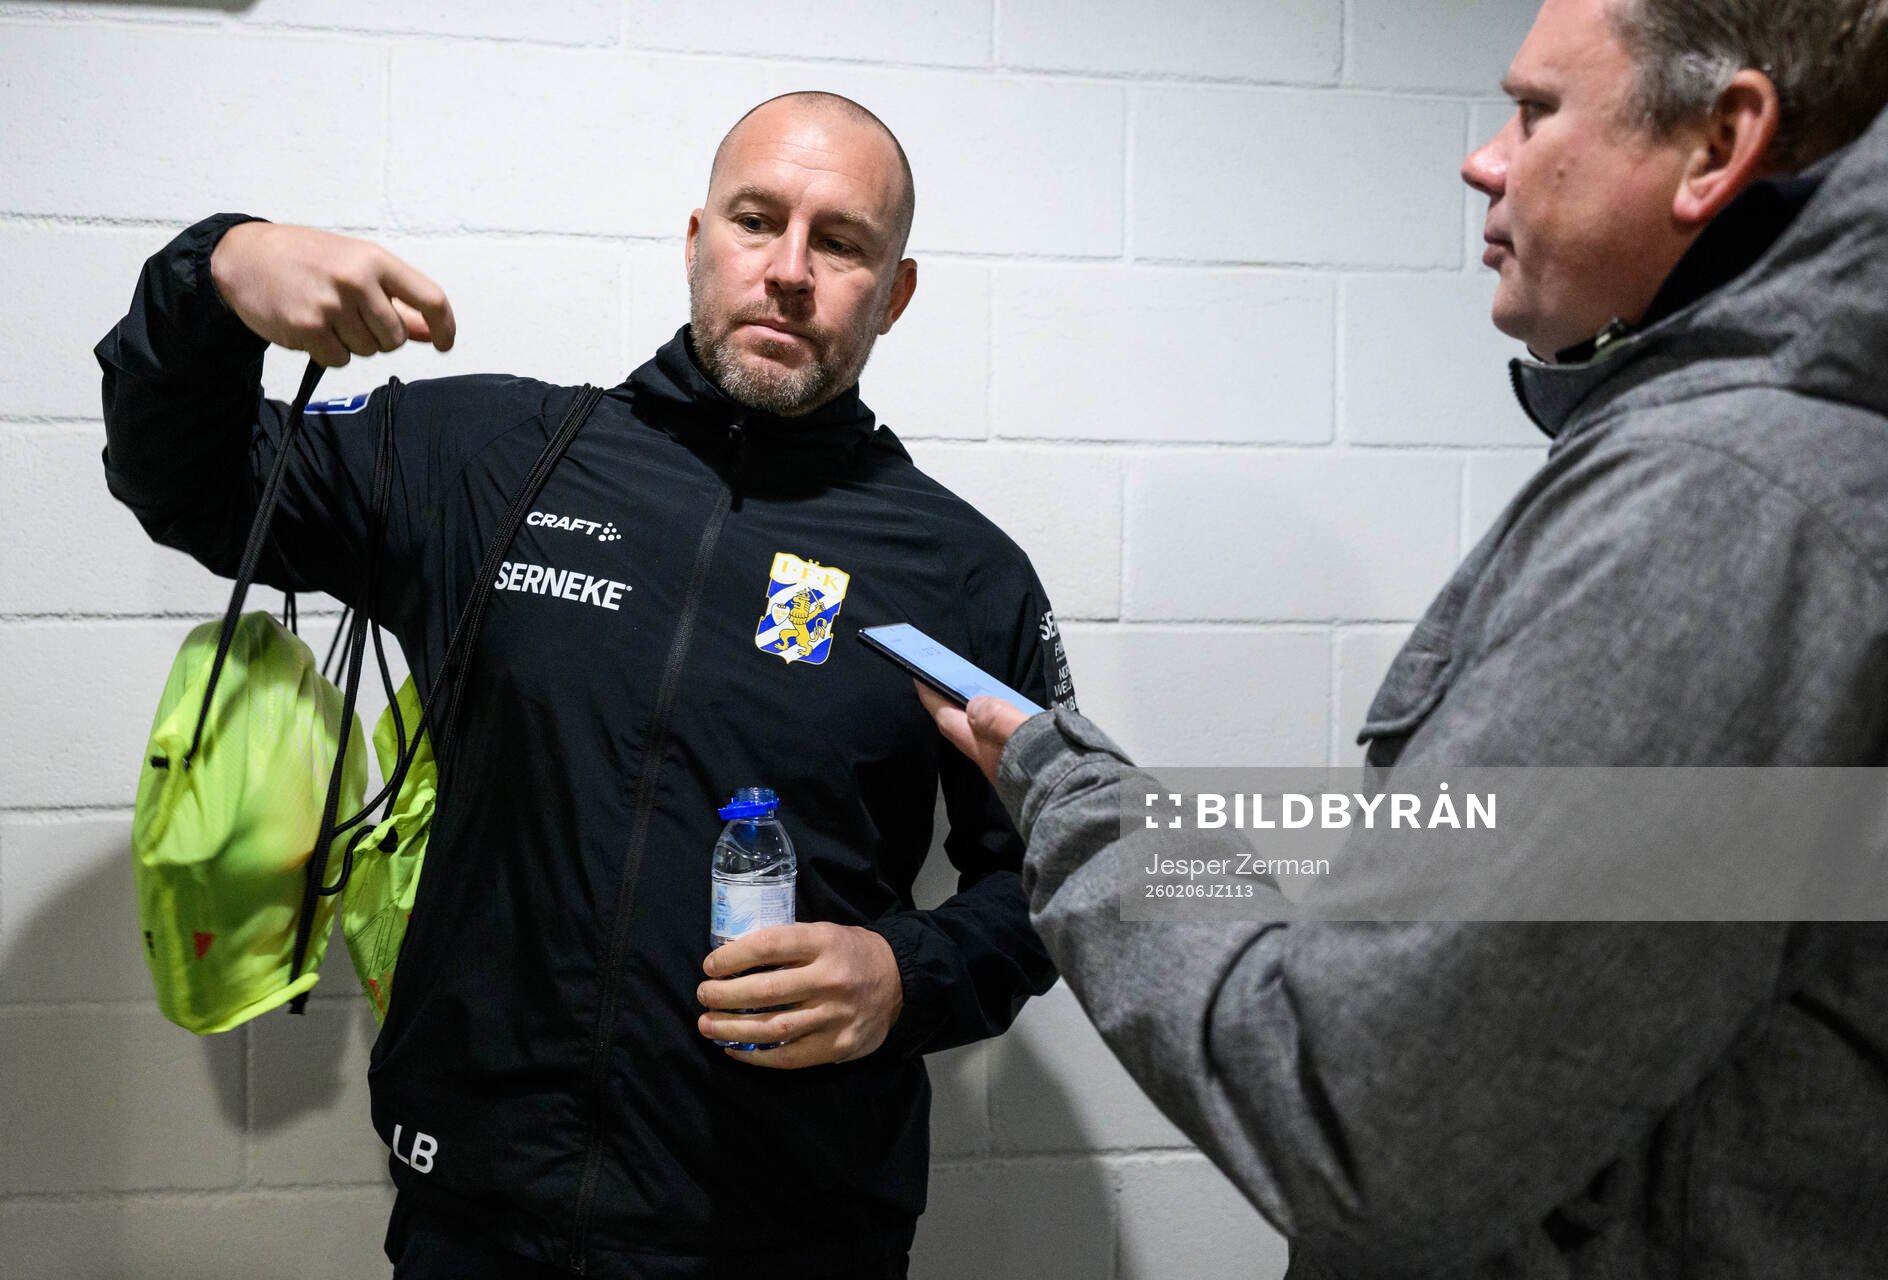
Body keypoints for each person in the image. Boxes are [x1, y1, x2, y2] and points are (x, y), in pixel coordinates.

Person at [922, 0, 1888, 1275]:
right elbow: (1401, 967)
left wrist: (1073, 799)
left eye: (1538, 110)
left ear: (1721, 143)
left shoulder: (1730, 503)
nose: (1483, 157)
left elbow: (1356, 1109)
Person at [98, 92, 1070, 1278]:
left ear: (895, 291)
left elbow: (1054, 870)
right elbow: (189, 483)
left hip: (791, 1236)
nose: (790, 270)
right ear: (697, 238)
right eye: (757, 221)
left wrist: (902, 975)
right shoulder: (491, 462)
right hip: (479, 1218)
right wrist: (217, 272)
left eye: (843, 241)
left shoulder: (961, 574)